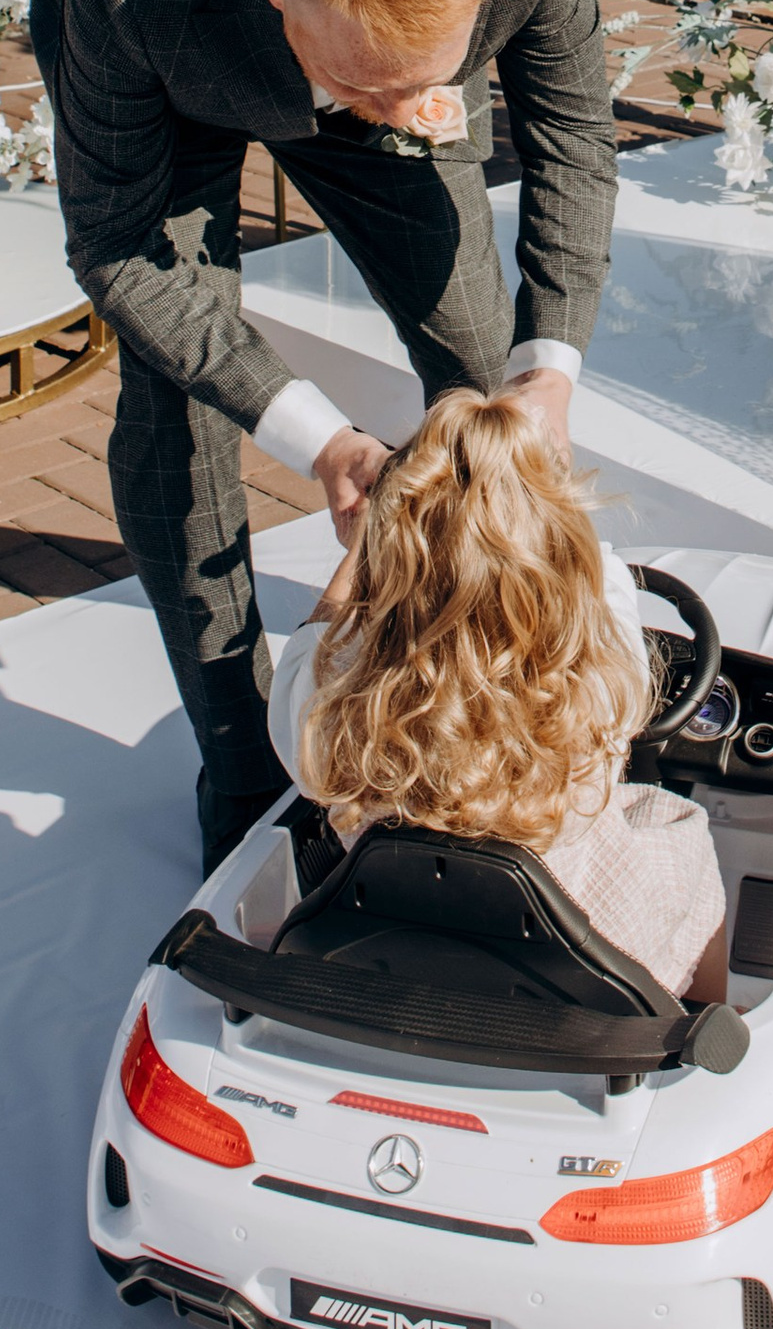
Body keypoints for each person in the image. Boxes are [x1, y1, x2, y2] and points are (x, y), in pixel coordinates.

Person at [30, 0, 617, 865]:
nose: (401, 115)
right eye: (369, 86)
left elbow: (575, 140)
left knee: (482, 377)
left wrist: (551, 369)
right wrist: (322, 440)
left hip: (358, 34)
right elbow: (115, 247)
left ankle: (500, 707)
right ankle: (242, 760)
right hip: (175, 72)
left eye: (423, 87)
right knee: (181, 402)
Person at [268, 385, 727, 997]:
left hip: (390, 934)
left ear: (390, 552)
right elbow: (602, 575)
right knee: (689, 846)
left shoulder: (326, 707)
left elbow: (314, 639)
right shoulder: (600, 676)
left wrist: (364, 544)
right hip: (574, 938)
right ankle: (704, 1014)